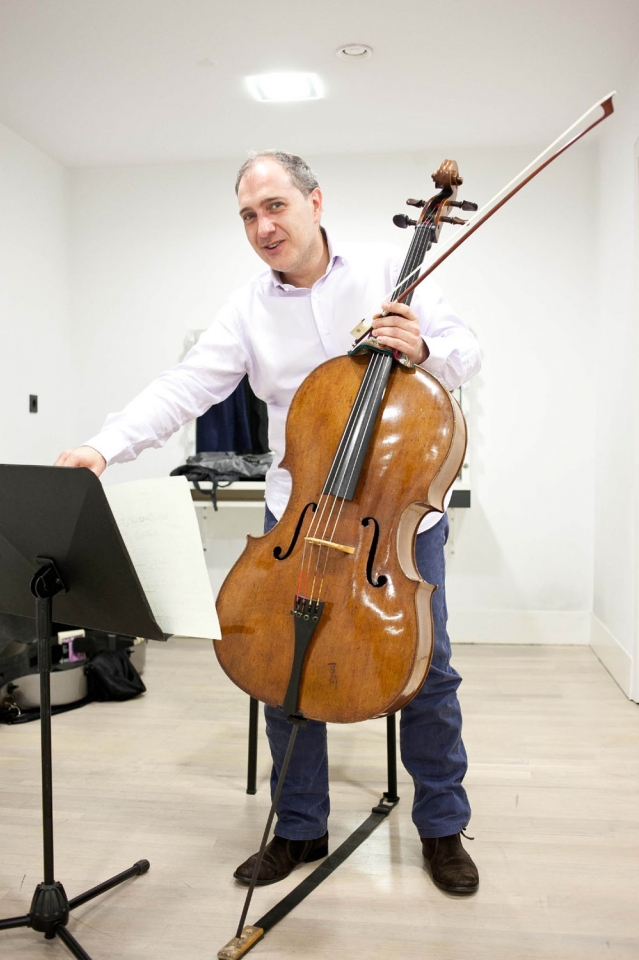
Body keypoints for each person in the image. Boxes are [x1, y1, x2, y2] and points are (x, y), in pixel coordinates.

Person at [56, 150, 481, 894]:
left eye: (275, 206)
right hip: (300, 517)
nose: (262, 226)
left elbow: (465, 354)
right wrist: (103, 446)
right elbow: (185, 385)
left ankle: (441, 825)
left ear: (315, 203)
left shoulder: (391, 269)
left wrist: (427, 349)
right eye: (249, 215)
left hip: (395, 524)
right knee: (281, 670)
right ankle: (298, 828)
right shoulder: (247, 308)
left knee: (428, 673)